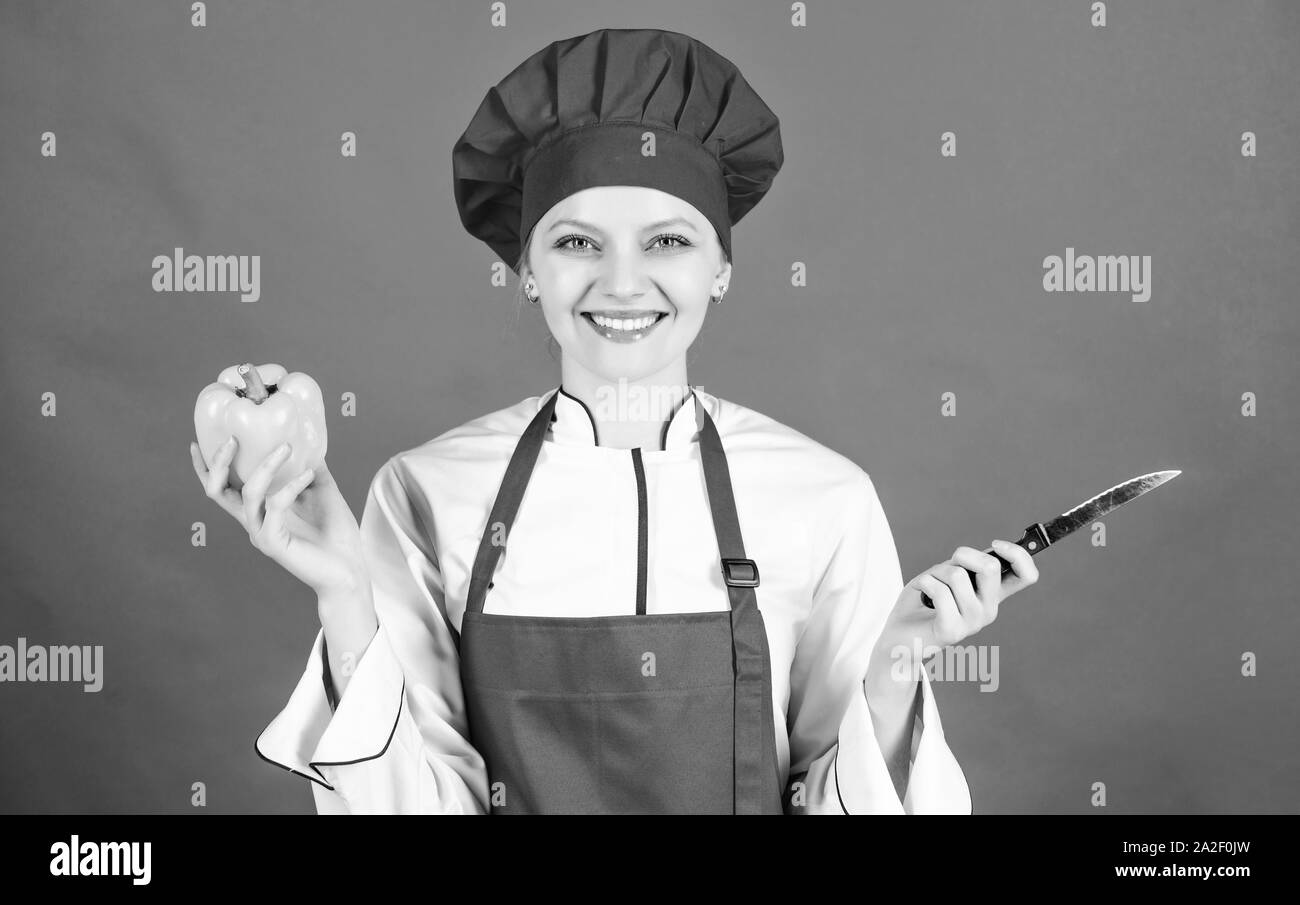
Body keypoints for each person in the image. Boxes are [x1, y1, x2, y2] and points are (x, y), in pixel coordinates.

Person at [190, 27, 1038, 814]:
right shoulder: (424, 493)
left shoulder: (825, 498)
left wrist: (897, 668)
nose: (623, 284)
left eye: (668, 241)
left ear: (721, 270)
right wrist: (343, 591)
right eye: (577, 242)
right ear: (526, 269)